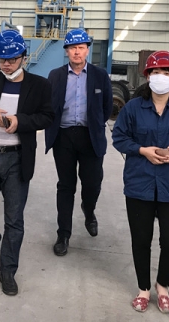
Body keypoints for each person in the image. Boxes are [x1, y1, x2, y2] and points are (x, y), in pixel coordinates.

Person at [112, 50, 169, 314]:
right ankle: (143, 289)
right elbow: (119, 138)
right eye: (156, 72)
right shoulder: (133, 108)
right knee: (141, 240)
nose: (161, 77)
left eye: (166, 73)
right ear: (148, 76)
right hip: (139, 184)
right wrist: (143, 150)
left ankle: (163, 286)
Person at [0, 30, 54, 296]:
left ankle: (8, 271)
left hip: (17, 158)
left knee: (14, 219)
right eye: (2, 59)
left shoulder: (39, 85)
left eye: (12, 59)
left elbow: (48, 116)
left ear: (24, 58)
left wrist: (21, 121)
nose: (6, 64)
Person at [45, 28, 113, 256]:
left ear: (87, 50)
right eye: (73, 48)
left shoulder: (99, 75)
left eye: (81, 47)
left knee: (92, 184)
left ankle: (88, 209)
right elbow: (49, 105)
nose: (77, 52)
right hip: (63, 137)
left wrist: (94, 124)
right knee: (66, 186)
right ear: (66, 51)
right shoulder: (55, 75)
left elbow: (107, 107)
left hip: (90, 137)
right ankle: (63, 234)